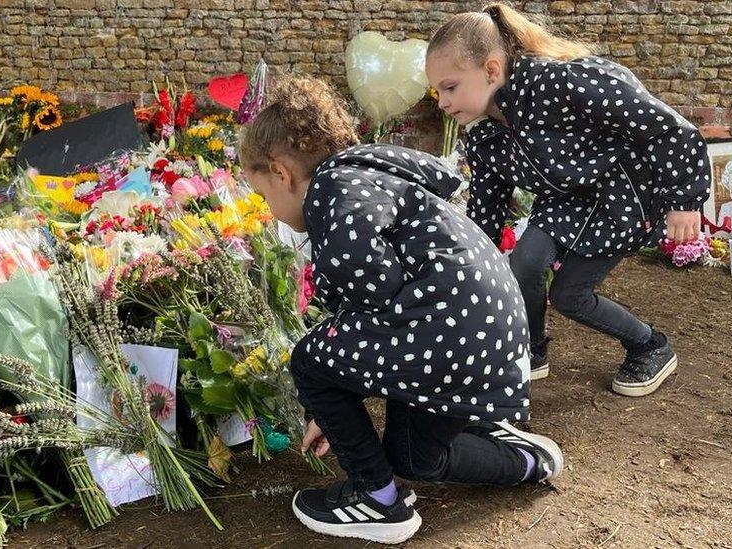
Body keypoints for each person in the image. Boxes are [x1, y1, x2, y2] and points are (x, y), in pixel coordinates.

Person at [238, 76, 563, 544]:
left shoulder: (332, 187)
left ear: (282, 173)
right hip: (481, 335)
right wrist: (334, 405)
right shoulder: (370, 176)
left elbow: (368, 280)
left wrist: (327, 390)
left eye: (263, 195)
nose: (269, 210)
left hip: (448, 334)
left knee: (310, 359)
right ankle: (525, 461)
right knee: (415, 457)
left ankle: (376, 499)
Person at [426, 3, 711, 396]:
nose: (441, 101)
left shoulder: (558, 82)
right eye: (436, 90)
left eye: (450, 87)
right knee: (524, 262)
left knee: (569, 296)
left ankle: (650, 344)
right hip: (565, 199)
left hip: (621, 195)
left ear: (491, 69)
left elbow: (665, 126)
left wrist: (685, 198)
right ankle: (532, 348)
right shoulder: (483, 134)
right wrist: (469, 261)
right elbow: (488, 206)